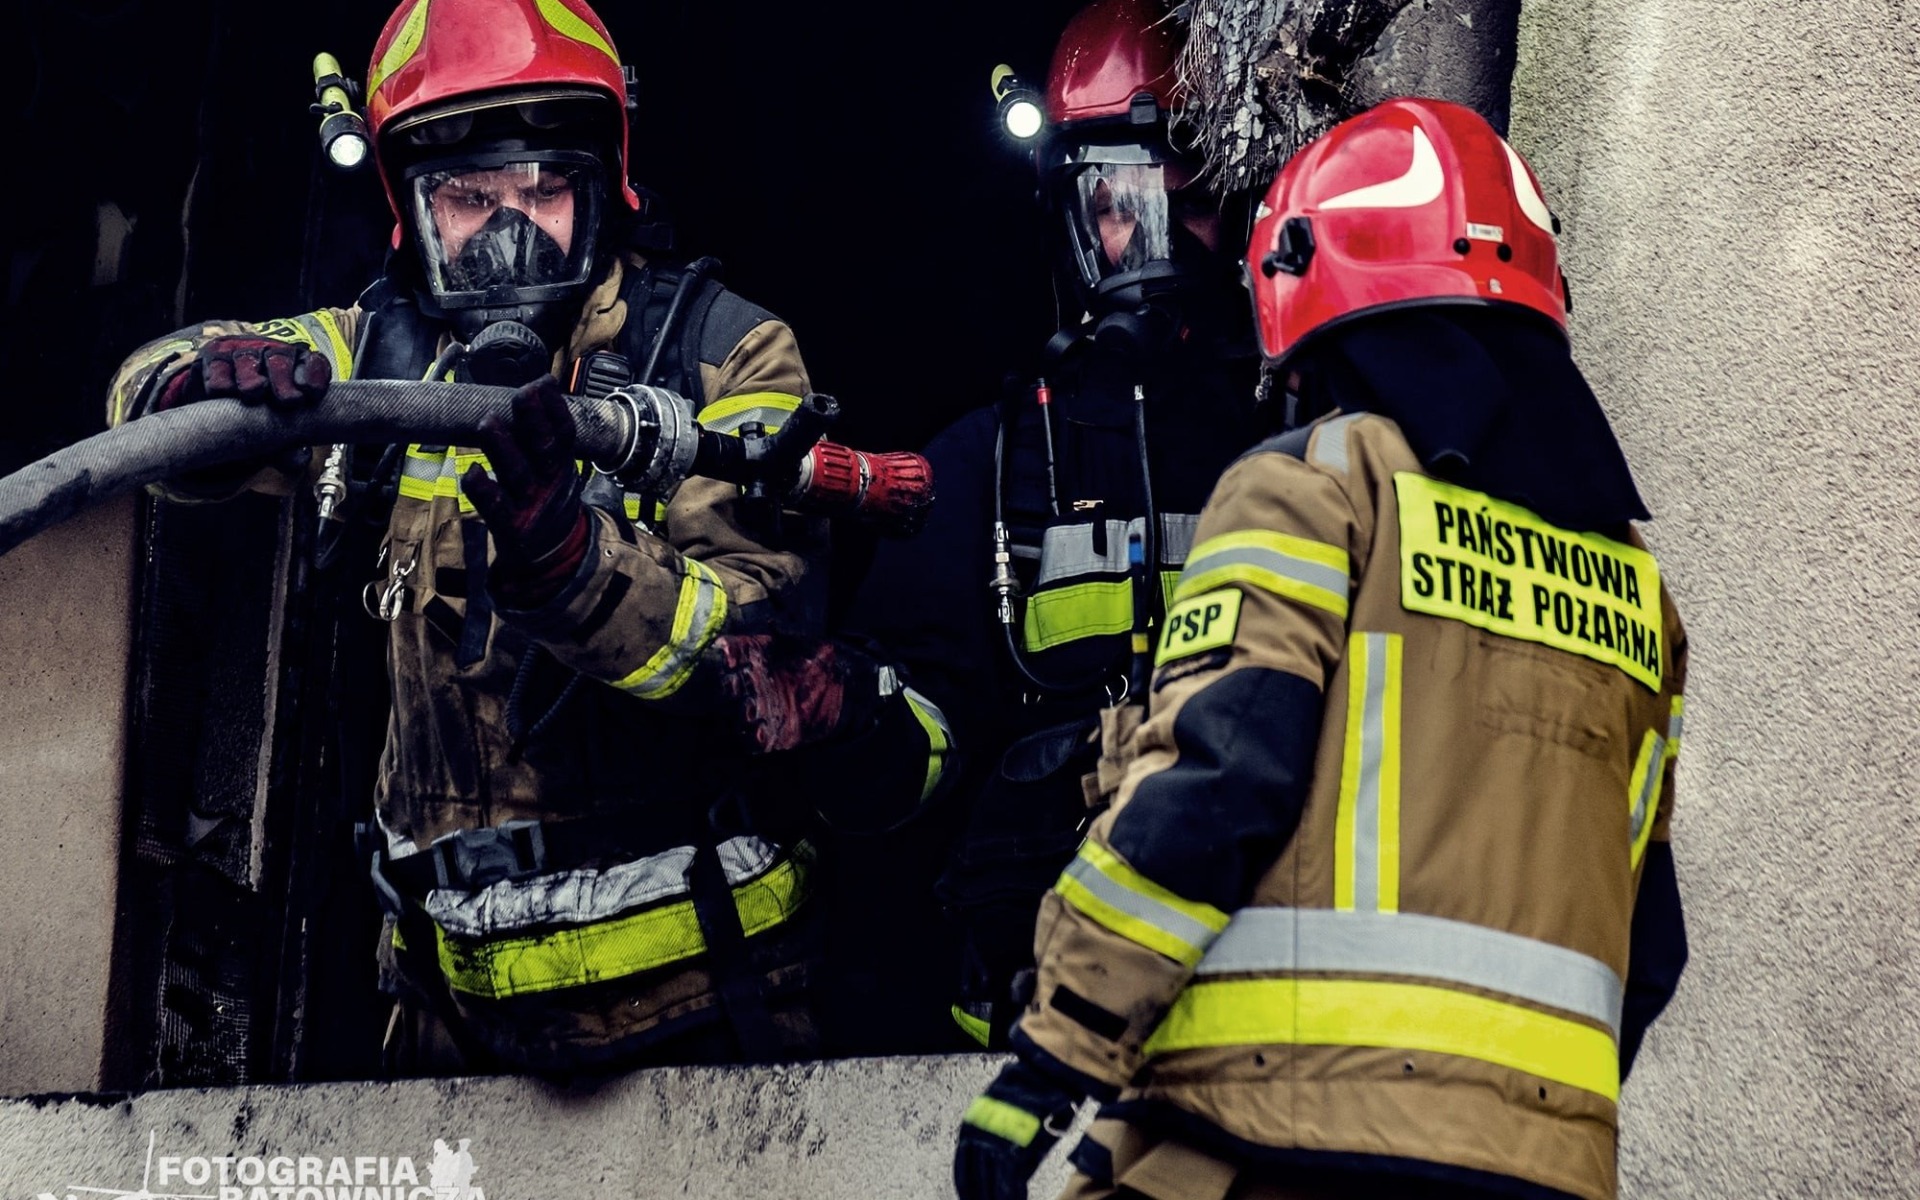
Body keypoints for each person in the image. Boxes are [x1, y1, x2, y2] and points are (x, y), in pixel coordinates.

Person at [953, 97, 1690, 1200]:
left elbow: (1213, 780)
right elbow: (1651, 941)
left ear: (1304, 281)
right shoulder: (1640, 594)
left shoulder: (1317, 485)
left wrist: (1055, 1053)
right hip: (1546, 1172)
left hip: (1273, 1139)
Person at [105, 0, 832, 1076]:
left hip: (702, 1010)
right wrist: (193, 386)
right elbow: (139, 402)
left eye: (545, 192)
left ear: (606, 191)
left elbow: (758, 648)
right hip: (448, 1024)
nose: (509, 231)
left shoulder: (725, 357)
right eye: (468, 198)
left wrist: (574, 569)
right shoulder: (377, 350)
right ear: (411, 209)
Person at [712, 0, 1263, 1056]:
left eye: (1188, 198)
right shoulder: (990, 465)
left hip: (1264, 1016)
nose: (1154, 237)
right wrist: (852, 718)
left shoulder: (1308, 435)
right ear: (1067, 210)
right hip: (1031, 1028)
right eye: (1120, 200)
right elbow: (911, 775)